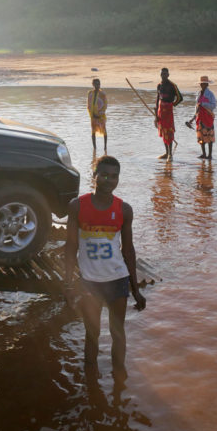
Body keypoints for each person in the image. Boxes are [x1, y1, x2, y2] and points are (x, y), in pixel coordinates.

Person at [63, 155, 146, 380]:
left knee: (118, 334)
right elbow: (70, 246)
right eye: (105, 175)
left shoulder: (124, 210)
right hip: (89, 282)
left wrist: (135, 289)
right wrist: (68, 284)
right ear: (95, 175)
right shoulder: (77, 206)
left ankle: (119, 380)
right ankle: (91, 379)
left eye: (114, 176)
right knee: (93, 334)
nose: (109, 180)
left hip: (117, 281)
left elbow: (128, 251)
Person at [154, 67, 182, 161]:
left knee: (169, 132)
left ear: (168, 75)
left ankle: (170, 154)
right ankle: (166, 153)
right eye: (162, 74)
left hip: (168, 112)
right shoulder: (159, 85)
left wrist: (172, 105)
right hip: (160, 112)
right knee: (163, 131)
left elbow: (180, 98)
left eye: (165, 74)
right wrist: (155, 115)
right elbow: (158, 99)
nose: (163, 76)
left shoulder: (172, 85)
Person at [187, 75, 216, 159]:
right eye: (201, 84)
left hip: (208, 118)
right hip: (200, 118)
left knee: (209, 136)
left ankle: (209, 155)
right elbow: (197, 108)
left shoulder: (210, 94)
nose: (202, 85)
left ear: (207, 85)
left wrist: (203, 104)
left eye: (204, 84)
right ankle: (204, 154)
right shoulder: (199, 94)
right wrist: (192, 119)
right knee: (201, 136)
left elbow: (213, 105)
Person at [87, 78, 108, 151]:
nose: (98, 85)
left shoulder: (102, 94)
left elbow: (105, 105)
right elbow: (89, 105)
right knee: (93, 132)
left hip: (101, 116)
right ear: (93, 84)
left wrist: (99, 114)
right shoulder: (90, 93)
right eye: (96, 84)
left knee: (104, 130)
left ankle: (105, 147)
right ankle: (94, 148)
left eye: (99, 84)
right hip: (93, 116)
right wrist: (92, 114)